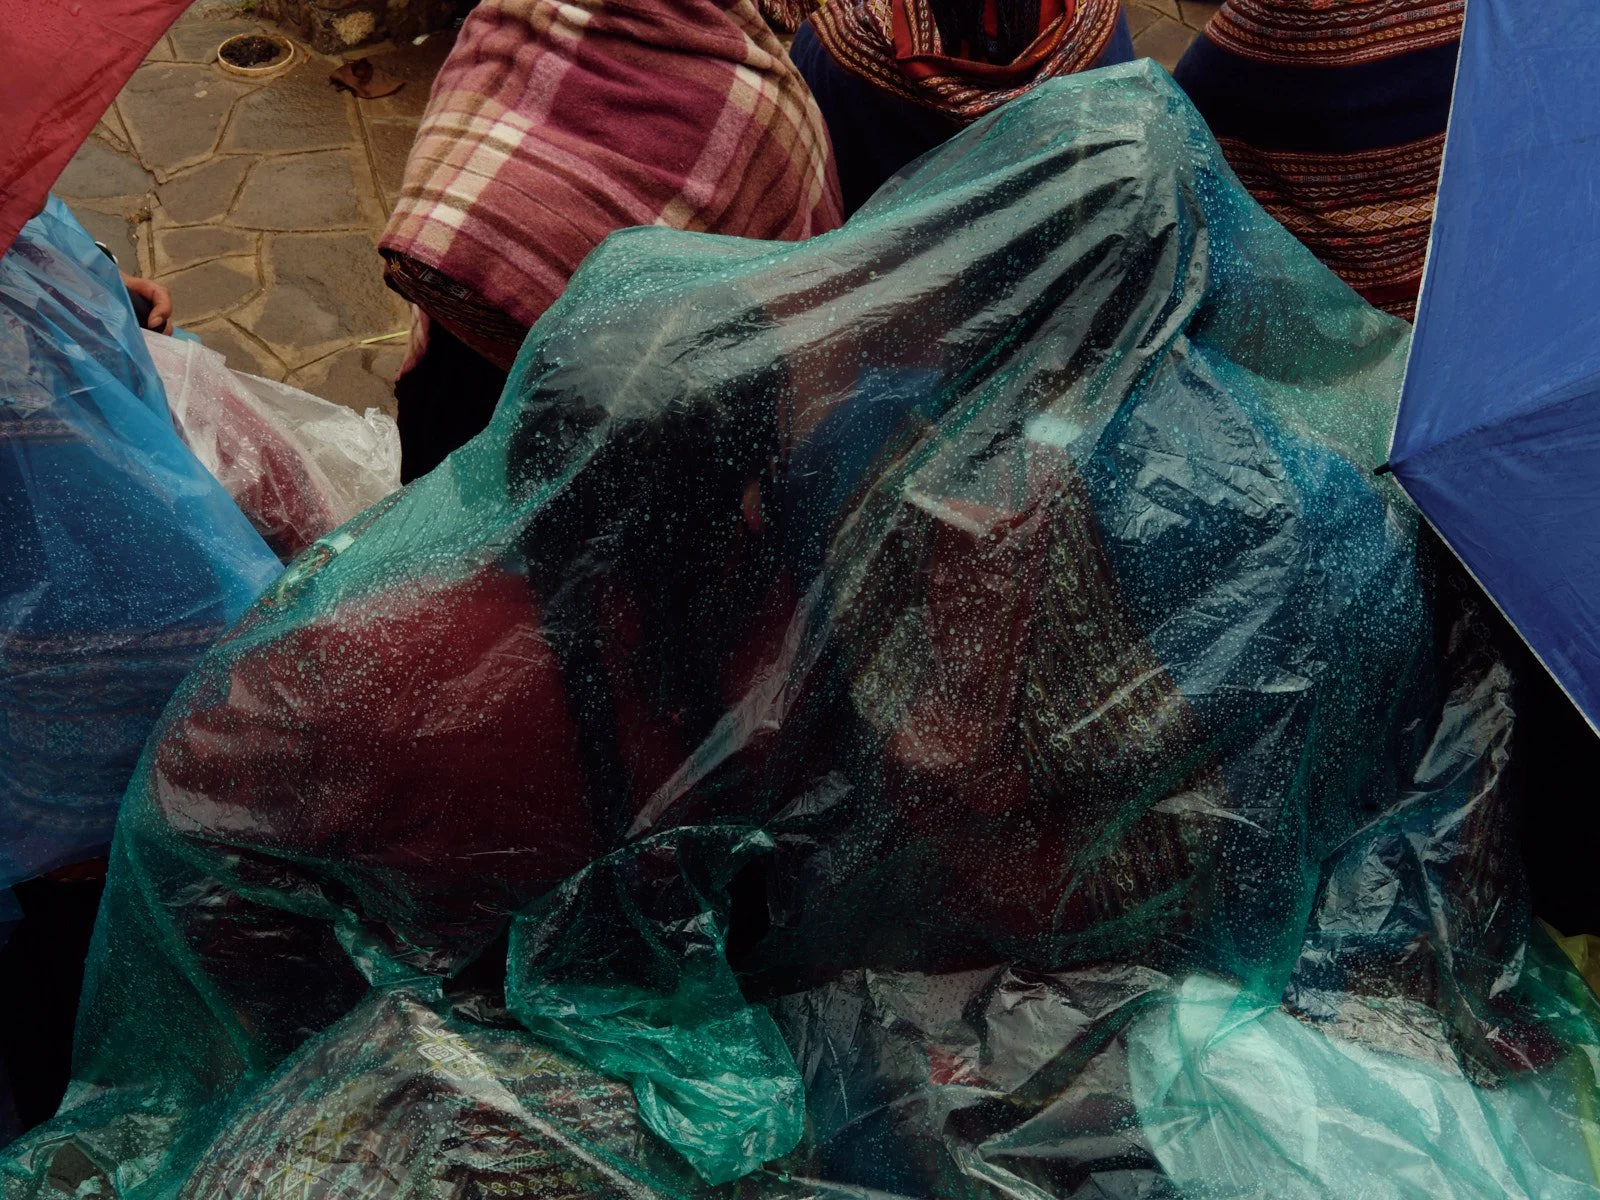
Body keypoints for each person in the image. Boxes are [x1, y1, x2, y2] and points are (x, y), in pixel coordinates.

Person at [379, 0, 843, 482]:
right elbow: (799, 322)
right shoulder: (766, 108)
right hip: (496, 412)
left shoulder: (499, 27)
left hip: (624, 457)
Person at [1172, 0, 1463, 320]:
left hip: (1322, 315)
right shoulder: (1478, 19)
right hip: (1456, 279)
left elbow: (1182, 136)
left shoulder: (1254, 31)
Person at [790, 0, 1136, 216]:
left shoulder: (833, 53)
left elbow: (819, 207)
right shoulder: (1098, 22)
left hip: (906, 307)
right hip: (1066, 290)